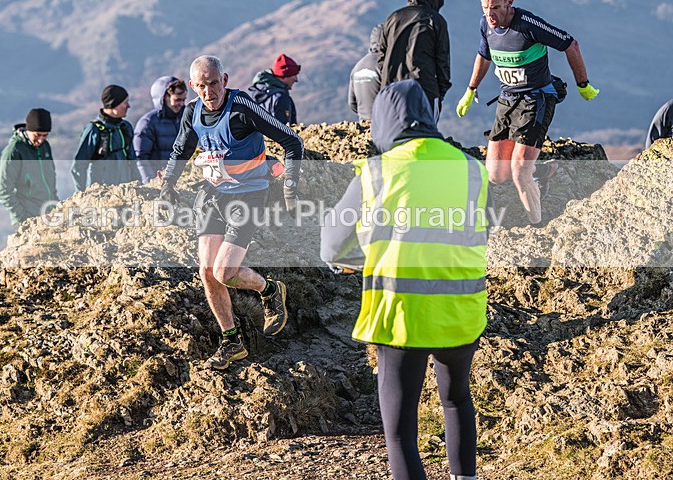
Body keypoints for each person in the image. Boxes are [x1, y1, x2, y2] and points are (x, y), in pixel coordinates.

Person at [321, 80, 489, 480]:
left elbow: (330, 247)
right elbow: (475, 232)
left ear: (382, 120)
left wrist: (368, 253)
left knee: (400, 433)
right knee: (456, 401)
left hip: (401, 313)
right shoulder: (472, 168)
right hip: (461, 310)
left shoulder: (375, 173)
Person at [160, 55, 303, 370]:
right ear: (194, 87)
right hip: (212, 196)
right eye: (201, 86)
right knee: (207, 272)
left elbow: (292, 141)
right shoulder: (192, 112)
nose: (209, 92)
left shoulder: (241, 107)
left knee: (225, 272)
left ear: (224, 79)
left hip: (248, 197)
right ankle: (231, 342)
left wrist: (290, 184)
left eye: (214, 83)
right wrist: (168, 183)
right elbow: (181, 149)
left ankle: (270, 290)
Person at [456, 0, 599, 225]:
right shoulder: (486, 25)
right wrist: (471, 89)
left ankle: (538, 226)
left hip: (537, 98)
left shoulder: (528, 24)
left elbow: (570, 44)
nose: (489, 14)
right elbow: (484, 55)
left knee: (519, 171)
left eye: (496, 7)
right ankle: (542, 172)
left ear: (509, 2)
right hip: (507, 100)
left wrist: (583, 84)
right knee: (496, 175)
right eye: (484, 7)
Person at [377, 0, 451, 120]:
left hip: (391, 91)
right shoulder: (435, 21)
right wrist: (439, 92)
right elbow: (442, 61)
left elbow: (381, 59)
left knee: (394, 136)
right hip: (424, 91)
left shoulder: (392, 18)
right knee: (424, 137)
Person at [0, 108, 58, 229]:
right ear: (28, 130)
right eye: (37, 135)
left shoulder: (45, 147)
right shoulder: (14, 151)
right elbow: (3, 191)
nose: (40, 140)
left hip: (49, 215)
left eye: (45, 135)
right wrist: (22, 219)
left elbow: (50, 180)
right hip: (28, 221)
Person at [71, 85, 140, 191]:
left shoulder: (125, 127)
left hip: (127, 192)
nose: (128, 106)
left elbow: (132, 161)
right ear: (114, 104)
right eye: (125, 102)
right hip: (102, 194)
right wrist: (81, 194)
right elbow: (79, 166)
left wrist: (139, 186)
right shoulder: (94, 130)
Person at [133, 76, 188, 184]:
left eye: (183, 100)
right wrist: (151, 182)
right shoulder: (147, 123)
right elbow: (141, 158)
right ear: (164, 97)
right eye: (177, 100)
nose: (181, 104)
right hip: (159, 181)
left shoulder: (186, 119)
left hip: (183, 181)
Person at [247, 53, 300, 125]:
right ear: (284, 76)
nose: (296, 80)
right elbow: (283, 131)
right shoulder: (281, 98)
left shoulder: (253, 92)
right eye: (294, 75)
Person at [348, 24, 383, 121]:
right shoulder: (386, 64)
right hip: (384, 125)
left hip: (364, 124)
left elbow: (352, 103)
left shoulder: (357, 66)